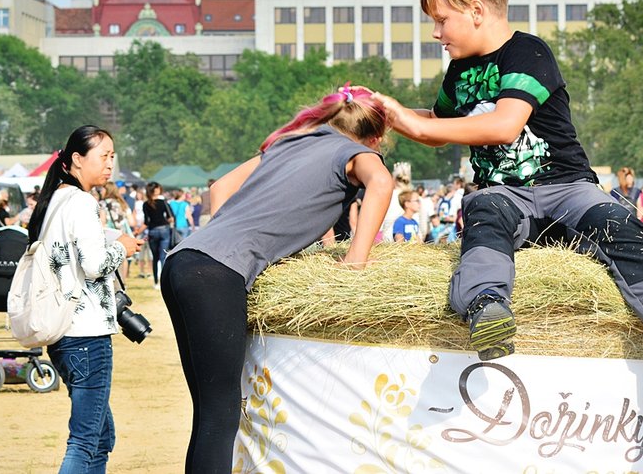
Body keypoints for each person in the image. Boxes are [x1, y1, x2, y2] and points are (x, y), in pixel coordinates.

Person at [372, 0, 643, 399]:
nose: (435, 33)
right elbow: (439, 122)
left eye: (441, 20)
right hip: (504, 194)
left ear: (476, 10)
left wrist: (420, 126)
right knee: (481, 208)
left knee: (619, 227)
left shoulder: (529, 51)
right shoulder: (459, 72)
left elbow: (505, 124)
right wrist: (389, 114)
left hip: (568, 189)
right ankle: (487, 307)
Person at [160, 85, 393, 473]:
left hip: (184, 261)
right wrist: (355, 260)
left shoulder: (289, 143)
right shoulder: (354, 152)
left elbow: (219, 187)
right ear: (376, 139)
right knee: (219, 417)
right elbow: (382, 183)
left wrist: (229, 236)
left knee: (208, 415)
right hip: (216, 272)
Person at [27, 125, 143, 473]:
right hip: (87, 336)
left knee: (101, 437)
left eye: (112, 156)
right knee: (85, 440)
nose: (110, 164)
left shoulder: (56, 200)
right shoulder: (82, 202)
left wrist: (109, 238)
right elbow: (93, 265)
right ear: (77, 159)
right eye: (104, 156)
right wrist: (120, 248)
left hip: (65, 335)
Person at [143, 181, 174, 290]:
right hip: (164, 229)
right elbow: (171, 217)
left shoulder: (146, 204)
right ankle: (164, 282)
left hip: (152, 231)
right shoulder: (164, 202)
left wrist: (138, 231)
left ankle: (156, 282)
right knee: (163, 257)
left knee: (155, 258)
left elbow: (146, 221)